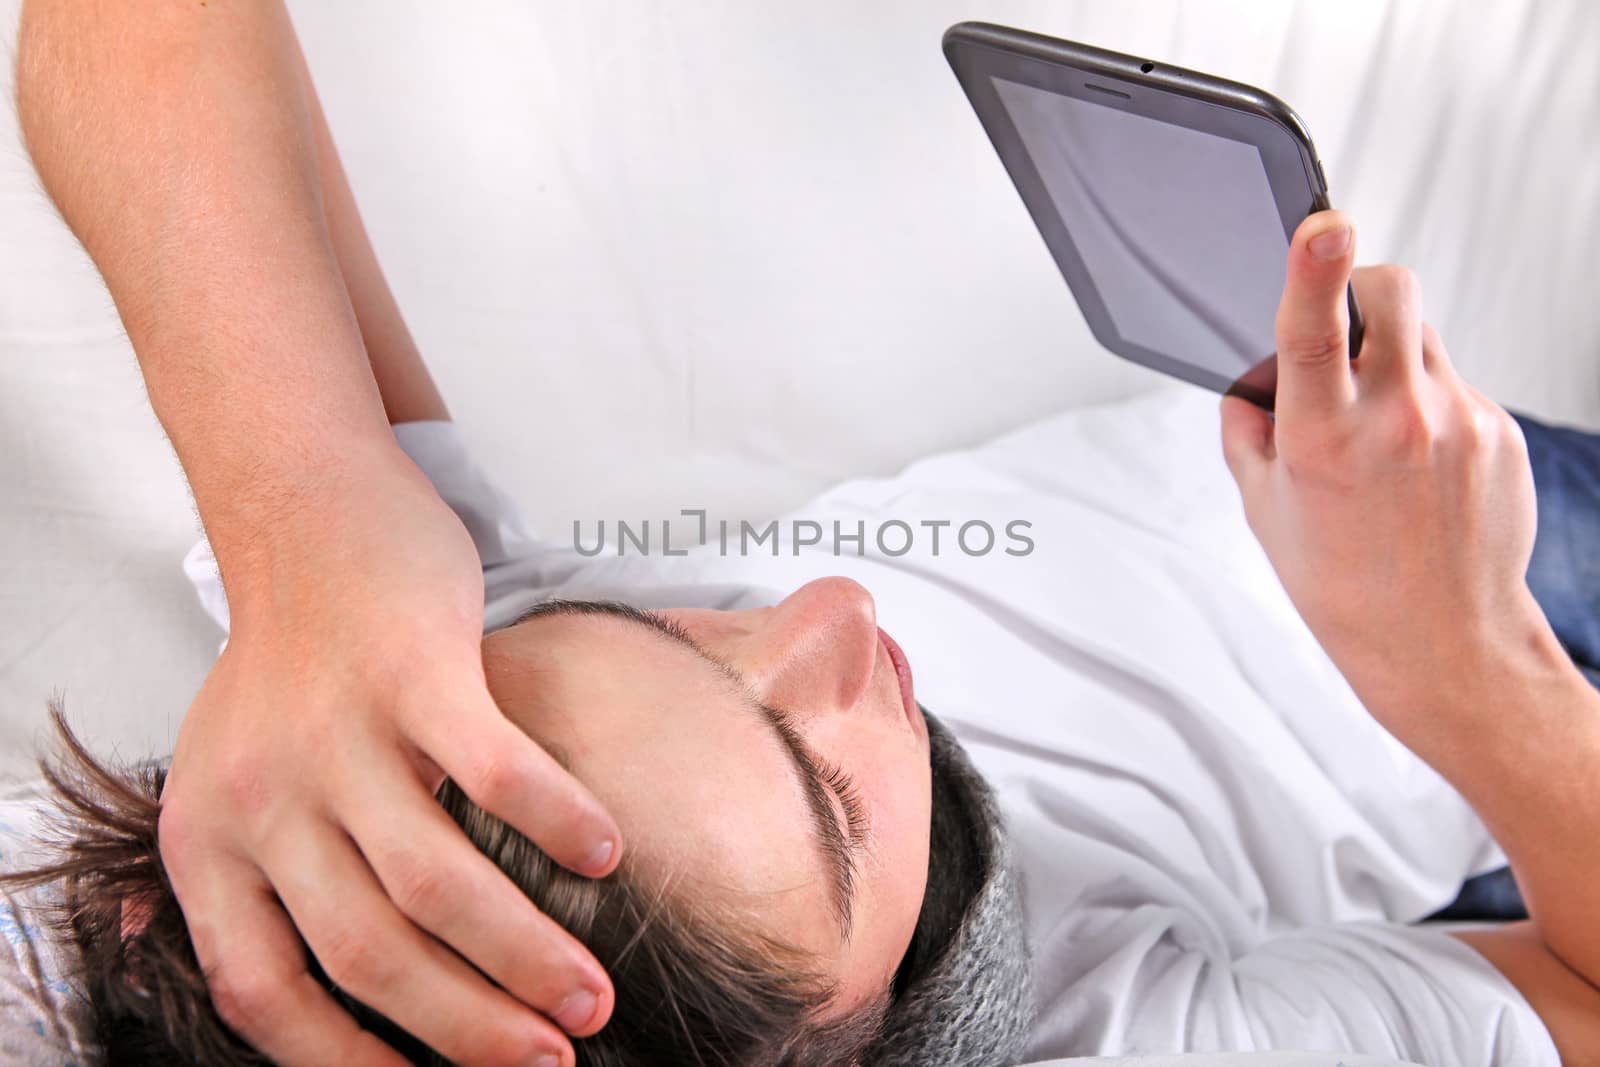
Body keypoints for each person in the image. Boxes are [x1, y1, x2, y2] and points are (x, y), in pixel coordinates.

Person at [5, 3, 1599, 1067]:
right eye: (829, 797)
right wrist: (1465, 658)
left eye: (677, 628)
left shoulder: (452, 730)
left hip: (1299, 471)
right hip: (1516, 689)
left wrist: (306, 514)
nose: (825, 609)